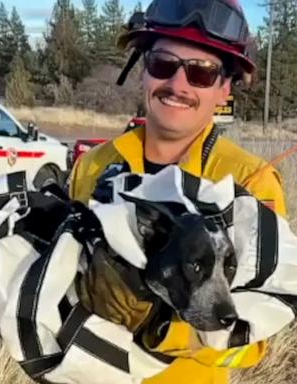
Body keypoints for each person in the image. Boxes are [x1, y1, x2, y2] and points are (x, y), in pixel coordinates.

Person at [69, 0, 286, 383]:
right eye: (163, 64)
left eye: (201, 74)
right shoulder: (94, 166)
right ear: (144, 73)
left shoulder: (248, 182)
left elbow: (254, 341)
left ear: (224, 90)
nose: (177, 85)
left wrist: (160, 326)